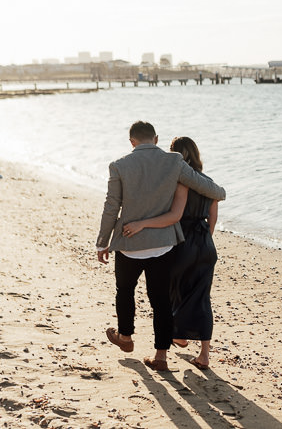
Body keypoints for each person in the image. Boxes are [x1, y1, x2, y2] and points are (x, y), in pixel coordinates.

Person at [96, 122, 226, 372]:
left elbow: (111, 206)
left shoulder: (119, 165)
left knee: (125, 291)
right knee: (161, 301)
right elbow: (211, 190)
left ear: (131, 142)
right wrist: (220, 192)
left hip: (128, 242)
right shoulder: (174, 162)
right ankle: (161, 356)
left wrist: (103, 242)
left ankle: (125, 337)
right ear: (156, 139)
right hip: (163, 245)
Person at [122, 136, 218, 370]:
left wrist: (143, 224)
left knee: (172, 291)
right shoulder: (209, 183)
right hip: (205, 242)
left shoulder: (178, 182)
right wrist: (204, 241)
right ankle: (203, 354)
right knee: (202, 296)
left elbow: (171, 214)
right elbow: (213, 217)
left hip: (181, 240)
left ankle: (178, 336)